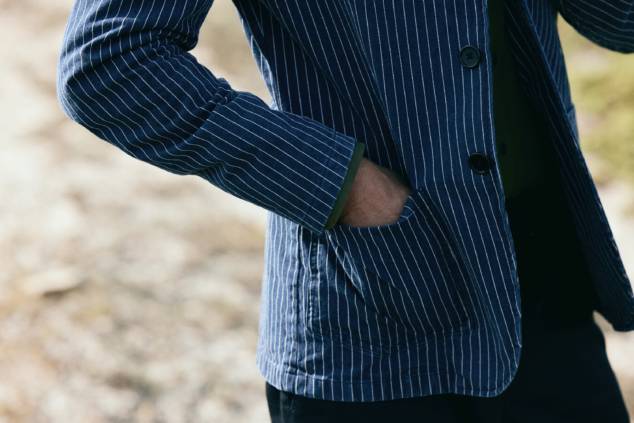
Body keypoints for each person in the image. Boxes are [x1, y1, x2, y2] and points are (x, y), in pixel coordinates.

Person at [57, 0, 634, 421]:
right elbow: (110, 60)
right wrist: (346, 185)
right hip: (370, 306)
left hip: (545, 283)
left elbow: (619, 20)